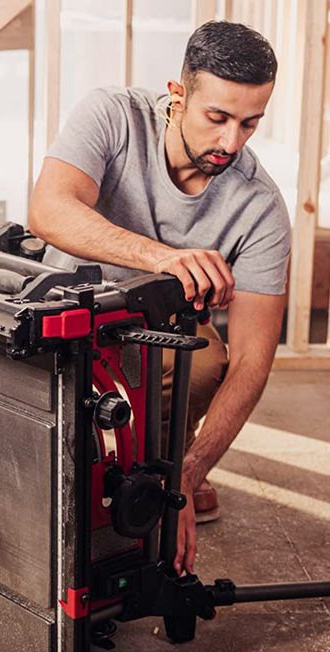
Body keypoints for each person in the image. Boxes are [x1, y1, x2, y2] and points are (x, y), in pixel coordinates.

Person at [28, 21, 291, 576]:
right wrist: (162, 258)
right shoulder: (112, 114)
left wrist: (182, 482)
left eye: (249, 123)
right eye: (217, 118)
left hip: (157, 336)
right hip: (68, 312)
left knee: (206, 364)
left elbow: (253, 360)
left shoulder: (262, 208)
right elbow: (49, 209)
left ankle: (161, 466)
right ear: (178, 96)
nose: (231, 142)